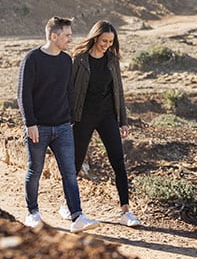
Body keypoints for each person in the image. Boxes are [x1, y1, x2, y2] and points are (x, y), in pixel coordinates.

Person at [17, 16, 99, 233]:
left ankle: (77, 216)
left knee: (70, 173)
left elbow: (68, 92)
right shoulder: (32, 59)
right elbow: (23, 94)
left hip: (63, 127)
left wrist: (71, 118)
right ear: (54, 36)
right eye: (67, 35)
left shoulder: (65, 60)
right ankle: (32, 213)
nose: (71, 39)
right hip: (38, 127)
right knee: (35, 170)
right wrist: (30, 123)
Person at [59, 19, 141, 227]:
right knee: (75, 164)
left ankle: (125, 211)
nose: (106, 44)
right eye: (104, 40)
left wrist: (123, 121)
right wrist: (65, 117)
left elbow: (118, 92)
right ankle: (68, 206)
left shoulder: (112, 60)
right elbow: (68, 91)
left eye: (110, 41)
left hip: (107, 117)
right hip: (82, 116)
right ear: (95, 37)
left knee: (118, 163)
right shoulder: (79, 59)